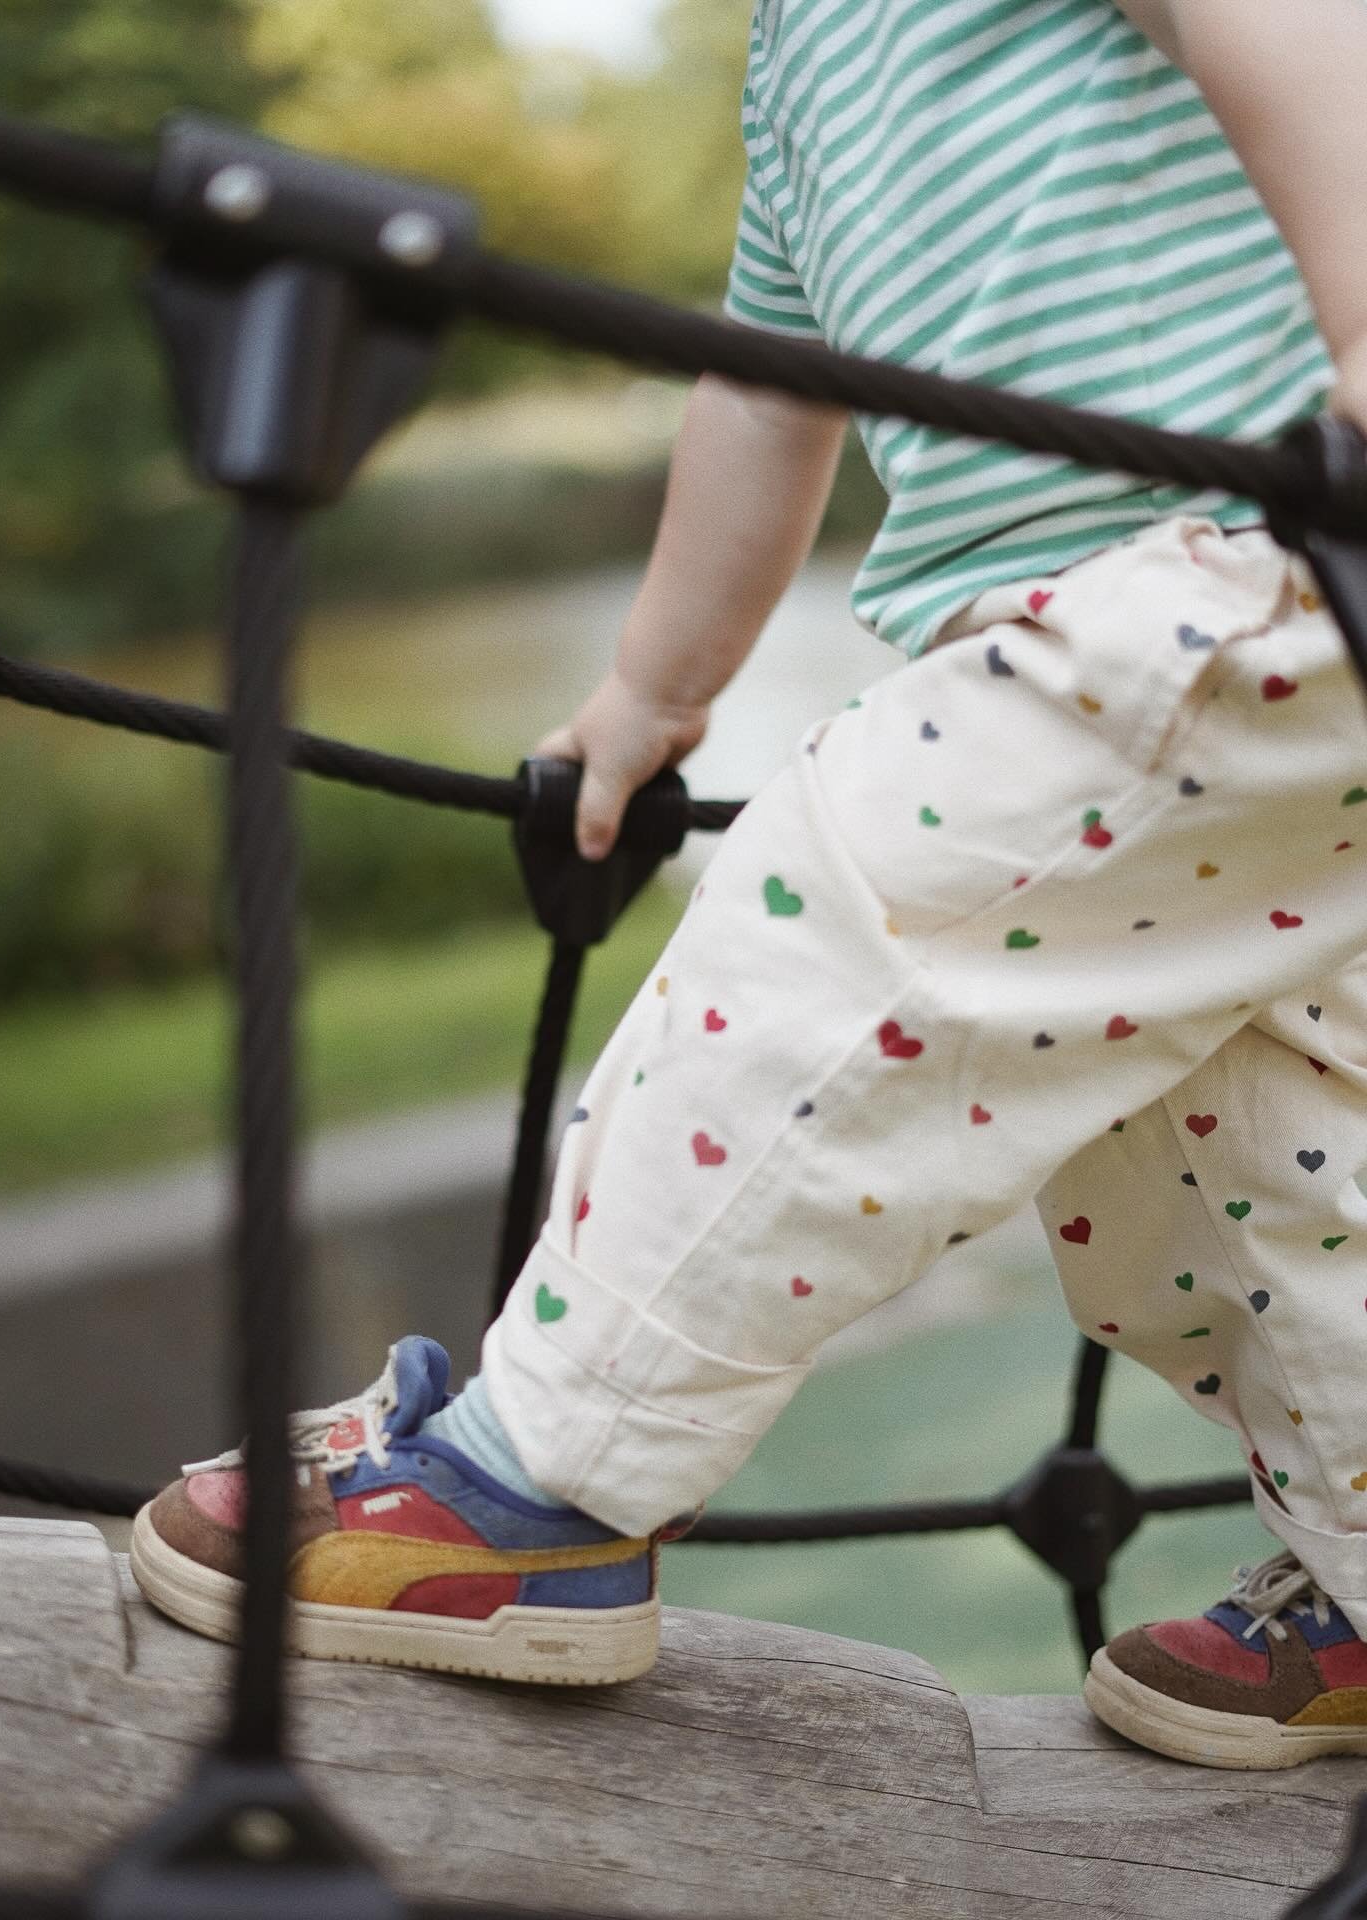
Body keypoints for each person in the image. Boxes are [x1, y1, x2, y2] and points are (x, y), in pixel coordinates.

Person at [133, 0, 1367, 1770]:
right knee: (1242, 1147)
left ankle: (539, 1482)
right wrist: (654, 689)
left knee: (840, 924)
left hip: (1240, 561)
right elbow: (767, 383)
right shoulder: (804, 58)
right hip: (1213, 648)